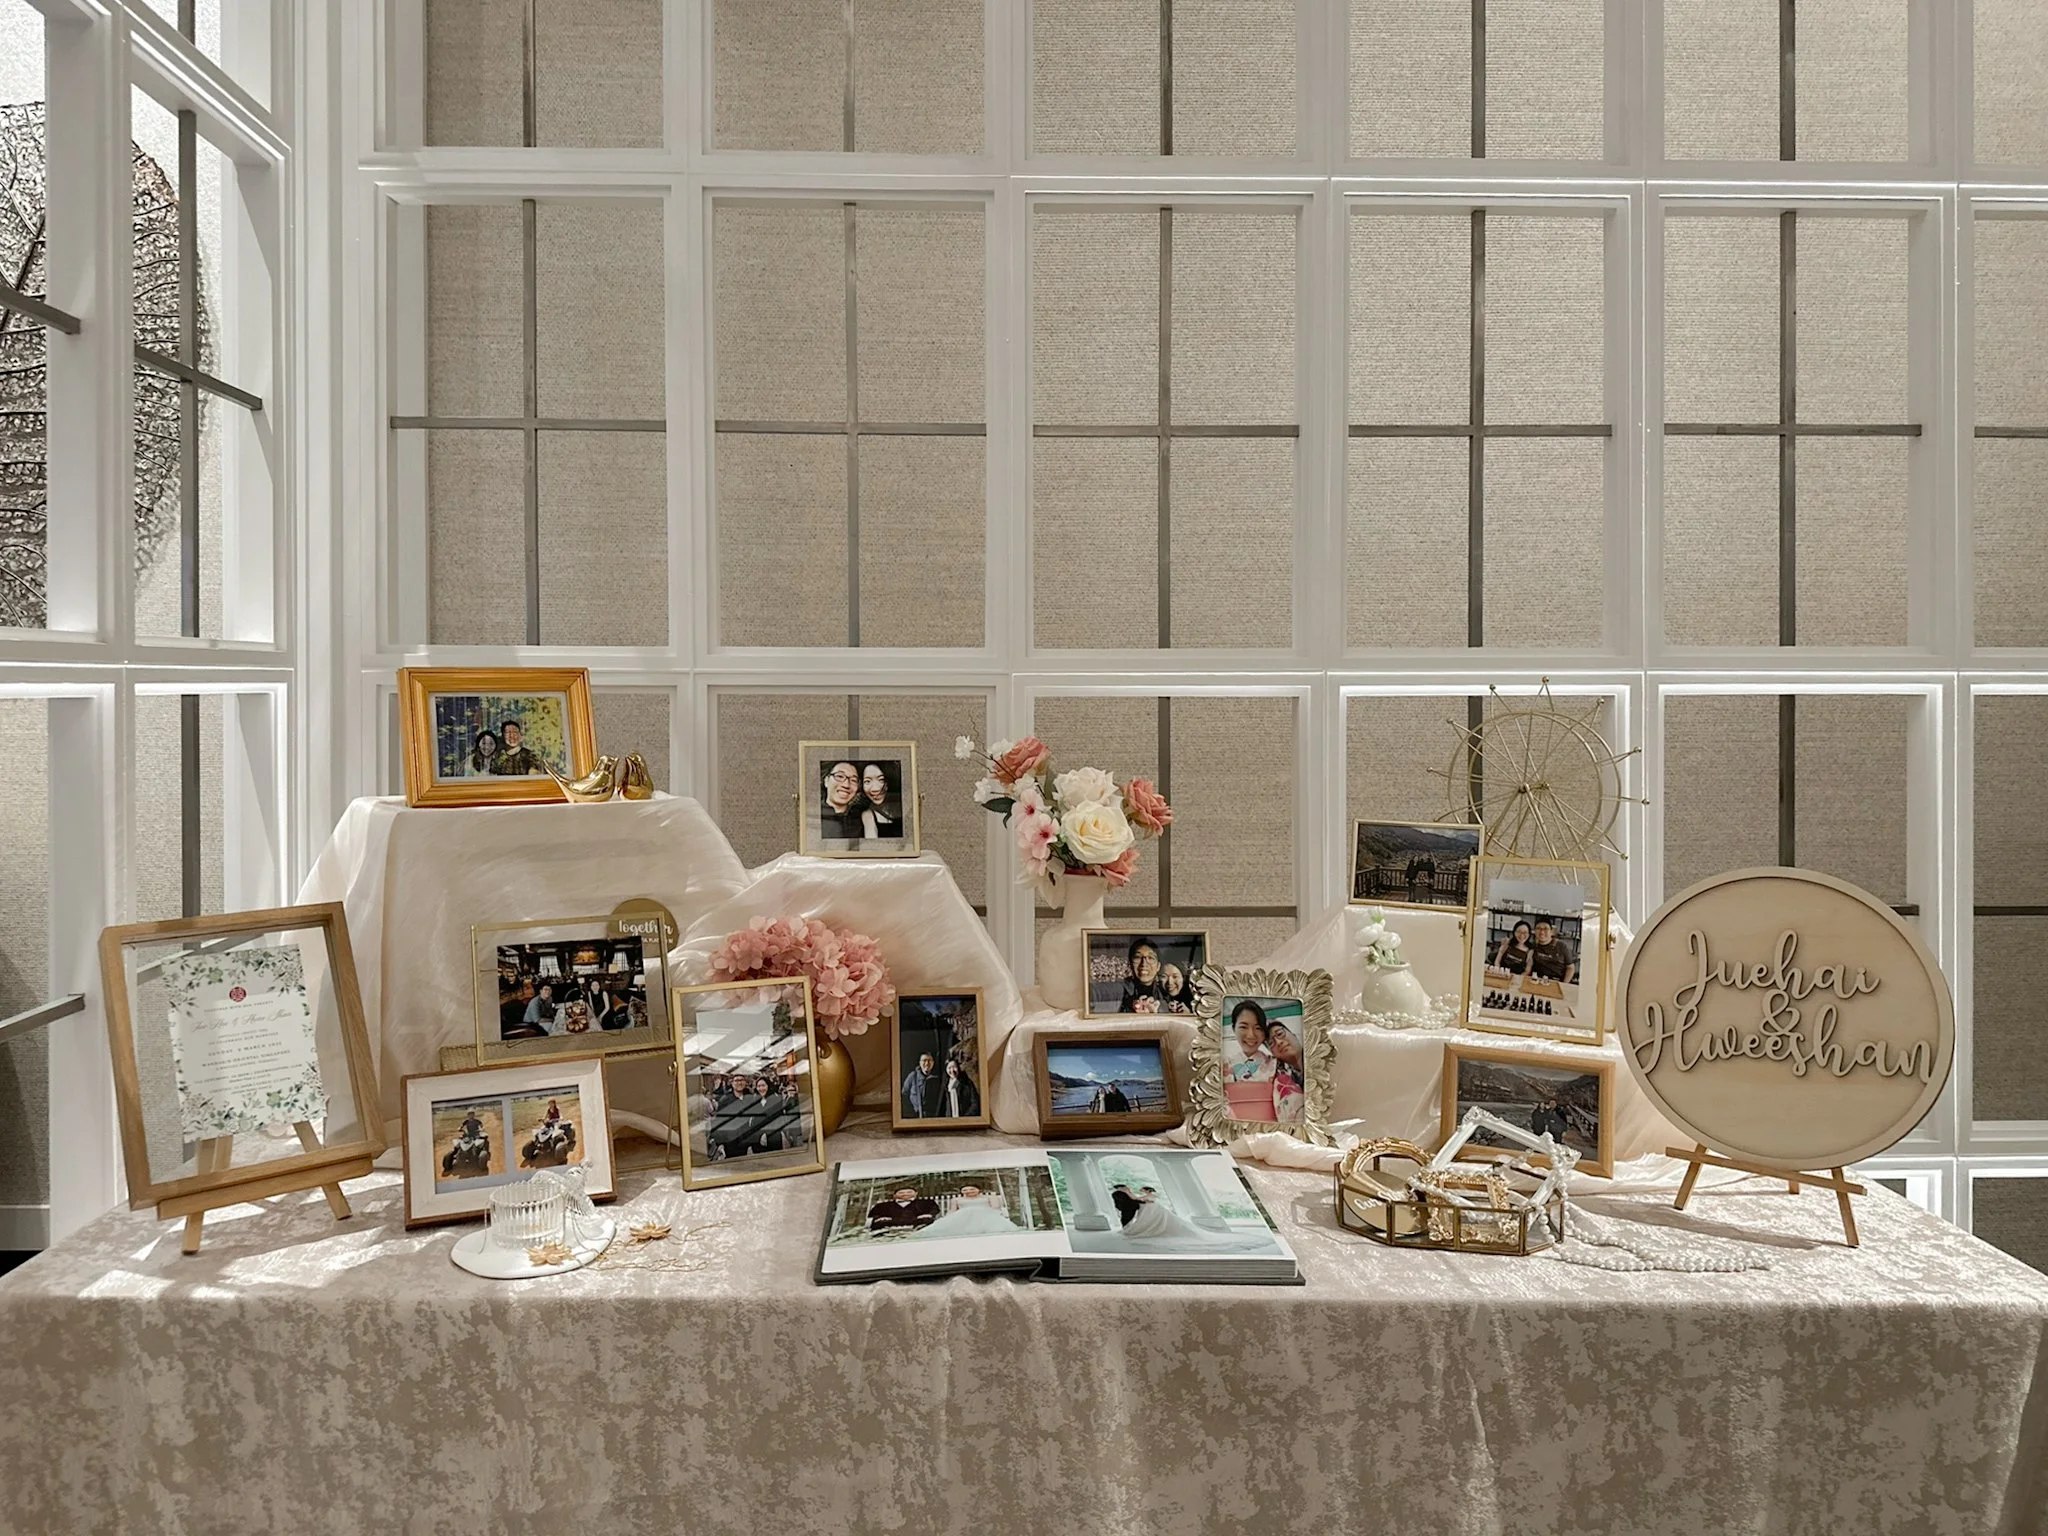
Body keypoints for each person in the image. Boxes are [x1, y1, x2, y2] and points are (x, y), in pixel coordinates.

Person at [1267, 1020, 1306, 1124]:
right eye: (1271, 1043)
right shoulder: (1282, 1080)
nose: (1279, 1042)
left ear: (1294, 1035)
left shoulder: (1319, 1055)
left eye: (1280, 1034)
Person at [1228, 1000, 1276, 1081]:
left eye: (1258, 1028)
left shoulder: (1276, 1064)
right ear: (1234, 1029)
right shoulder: (1224, 1065)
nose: (1251, 1035)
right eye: (1243, 1027)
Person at [821, 761, 867, 841]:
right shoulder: (813, 816)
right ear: (826, 781)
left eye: (853, 780)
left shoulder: (861, 819)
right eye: (839, 776)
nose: (846, 785)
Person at [866, 1186, 940, 1233]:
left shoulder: (927, 1203)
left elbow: (934, 1212)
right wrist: (880, 1218)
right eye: (901, 1192)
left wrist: (928, 1215)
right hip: (888, 1228)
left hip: (919, 1226)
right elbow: (873, 1216)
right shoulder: (882, 1206)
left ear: (916, 1193)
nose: (905, 1194)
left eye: (909, 1192)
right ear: (894, 1195)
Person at [1118, 939, 1164, 1012]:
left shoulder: (1163, 993)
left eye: (1151, 958)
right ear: (1130, 964)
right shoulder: (1120, 990)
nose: (1144, 963)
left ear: (1158, 966)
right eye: (1138, 957)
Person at [1528, 919, 1578, 986]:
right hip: (1537, 981)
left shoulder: (1561, 946)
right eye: (1538, 928)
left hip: (1556, 982)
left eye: (1545, 929)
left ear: (1551, 931)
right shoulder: (1533, 946)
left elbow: (1570, 968)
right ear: (1534, 931)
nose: (1542, 932)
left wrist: (1564, 984)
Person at [859, 763, 899, 840]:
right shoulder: (868, 816)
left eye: (881, 780)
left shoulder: (904, 806)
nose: (875, 789)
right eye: (867, 781)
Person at [900, 1052, 943, 1119]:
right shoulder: (913, 1076)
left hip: (932, 1117)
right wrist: (912, 1111)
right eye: (924, 1060)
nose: (927, 1063)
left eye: (929, 1061)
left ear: (933, 1063)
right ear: (920, 1063)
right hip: (915, 1117)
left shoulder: (937, 1079)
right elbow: (903, 1095)